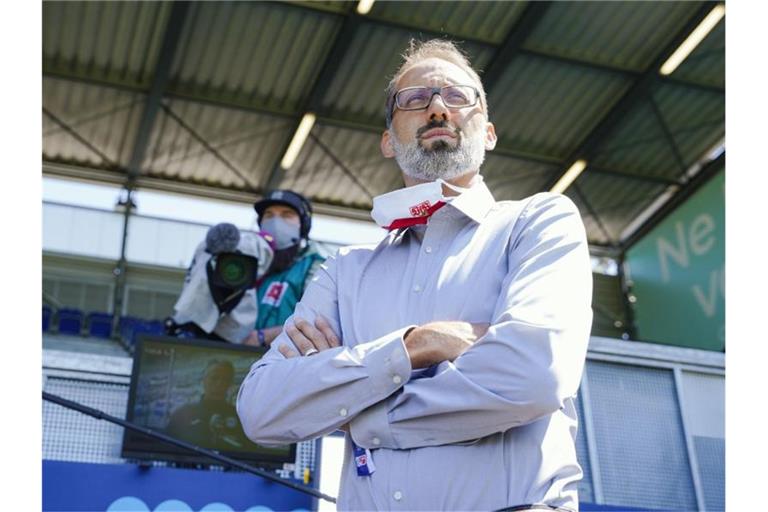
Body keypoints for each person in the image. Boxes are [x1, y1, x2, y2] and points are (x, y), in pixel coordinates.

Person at [237, 39, 592, 511]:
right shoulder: (346, 271)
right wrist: (417, 344)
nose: (439, 108)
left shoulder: (537, 223)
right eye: (415, 99)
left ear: (487, 132)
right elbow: (262, 409)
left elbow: (533, 375)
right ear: (389, 139)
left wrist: (362, 411)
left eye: (458, 96)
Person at [243, 190, 325, 347]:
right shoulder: (248, 267)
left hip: (287, 364)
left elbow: (319, 322)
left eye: (287, 214)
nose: (276, 222)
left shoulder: (316, 268)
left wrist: (262, 337)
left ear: (303, 226)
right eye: (269, 215)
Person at [166, 360, 249, 450]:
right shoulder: (182, 414)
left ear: (230, 383)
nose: (219, 383)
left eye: (225, 379)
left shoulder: (240, 418)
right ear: (204, 380)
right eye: (214, 378)